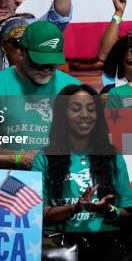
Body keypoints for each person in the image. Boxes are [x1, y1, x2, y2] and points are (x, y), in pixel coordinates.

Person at [32, 84, 132, 260]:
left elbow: (127, 213)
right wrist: (75, 208)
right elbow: (36, 214)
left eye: (91, 109)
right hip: (59, 247)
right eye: (76, 109)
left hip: (107, 245)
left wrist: (108, 210)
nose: (85, 115)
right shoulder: (44, 158)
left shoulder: (113, 157)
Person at [0, 21, 80, 169]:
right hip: (10, 183)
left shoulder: (75, 89)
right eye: (39, 63)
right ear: (22, 51)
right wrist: (16, 157)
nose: (45, 69)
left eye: (52, 64)